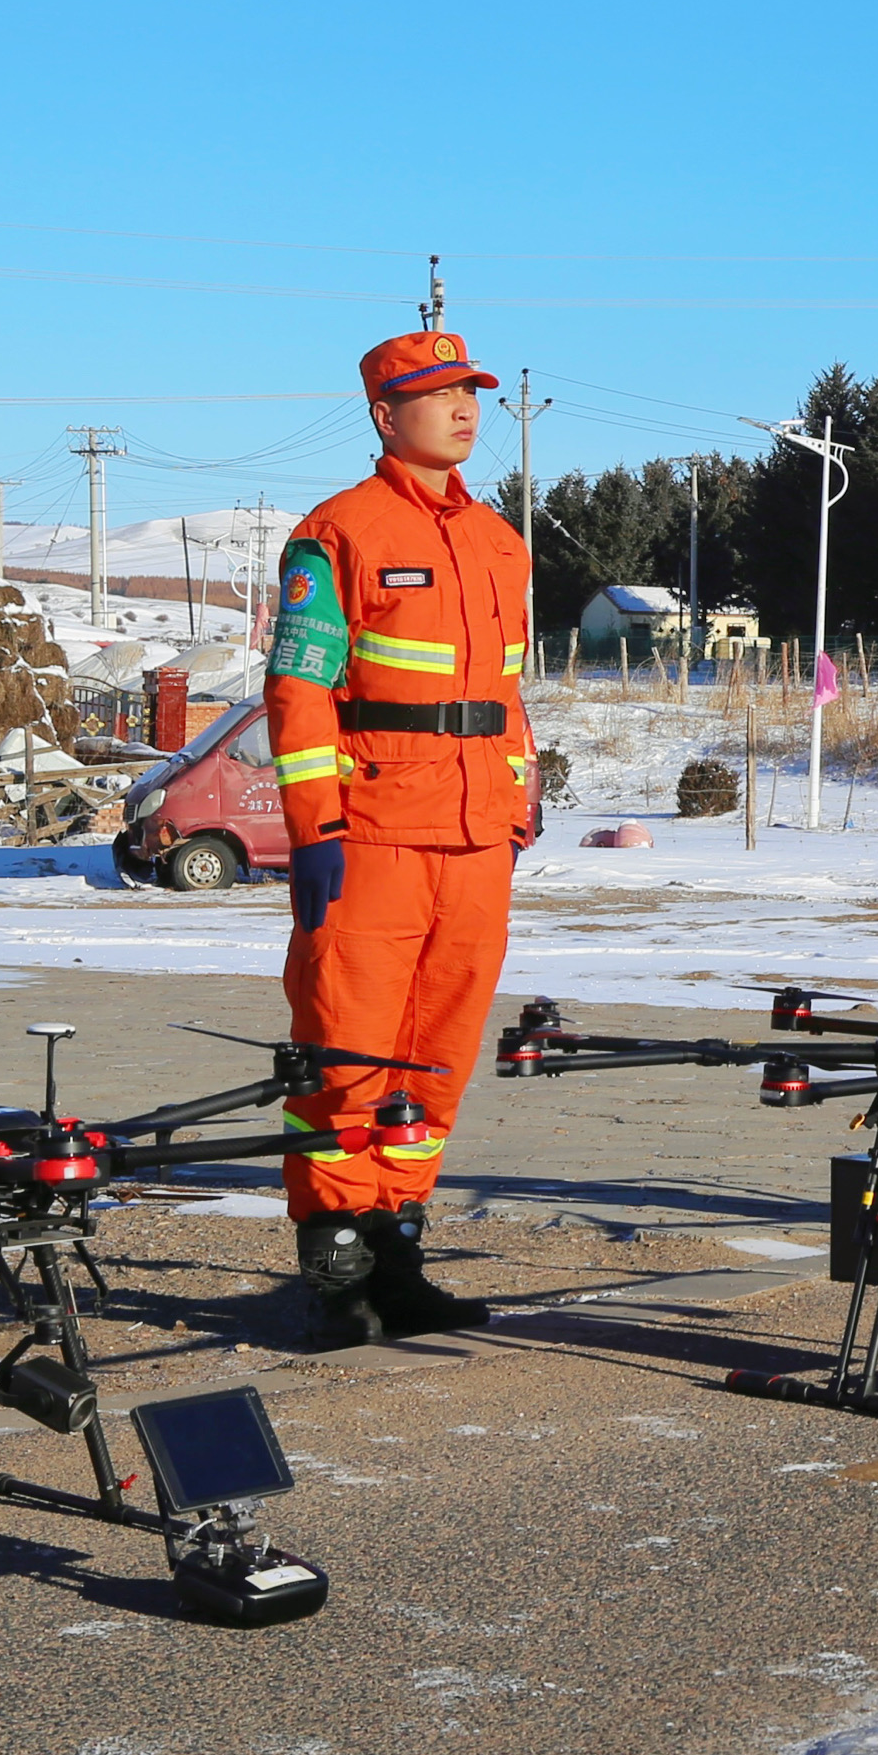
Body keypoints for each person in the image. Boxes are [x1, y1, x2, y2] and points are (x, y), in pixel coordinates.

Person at [261, 327, 539, 1345]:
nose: (465, 408)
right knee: (348, 1052)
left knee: (436, 1058)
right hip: (372, 833)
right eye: (438, 394)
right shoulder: (337, 532)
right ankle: (334, 1268)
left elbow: (506, 690)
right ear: (385, 414)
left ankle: (399, 1252)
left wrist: (521, 794)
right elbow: (297, 690)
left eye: (471, 392)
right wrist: (315, 827)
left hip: (472, 839)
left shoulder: (499, 541)